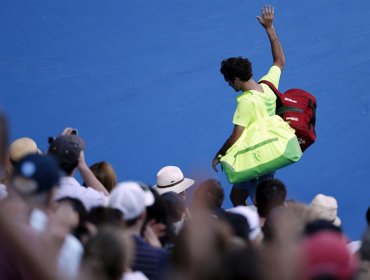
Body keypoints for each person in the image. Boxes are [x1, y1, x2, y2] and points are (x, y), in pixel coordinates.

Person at [212, 5, 285, 206]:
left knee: (265, 204)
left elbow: (235, 137)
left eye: (228, 81)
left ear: (236, 79)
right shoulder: (268, 86)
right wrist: (270, 29)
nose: (228, 84)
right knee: (237, 196)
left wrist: (219, 155)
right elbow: (279, 61)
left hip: (256, 159)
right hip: (270, 151)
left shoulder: (245, 102)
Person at [48, 128, 109, 210]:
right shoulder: (88, 197)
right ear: (77, 161)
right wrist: (82, 164)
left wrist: (57, 147)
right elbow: (111, 205)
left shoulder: (35, 191)